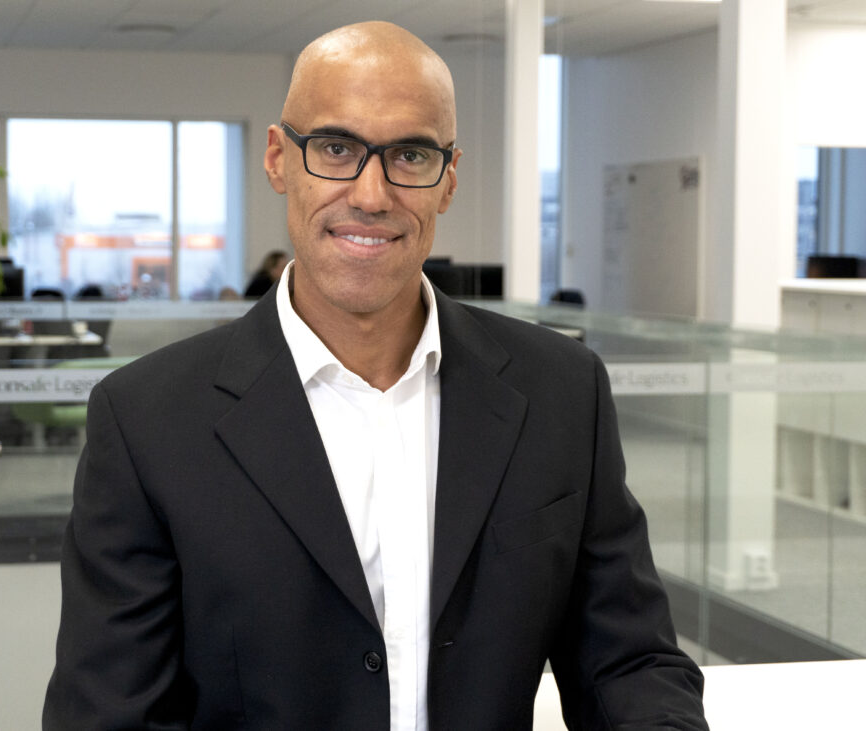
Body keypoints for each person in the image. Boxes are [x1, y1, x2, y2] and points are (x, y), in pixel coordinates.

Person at [43, 21, 707, 730]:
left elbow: (627, 662)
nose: (370, 193)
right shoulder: (147, 421)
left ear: (448, 179)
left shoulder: (561, 391)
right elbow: (109, 714)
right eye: (336, 148)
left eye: (410, 155)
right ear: (279, 159)